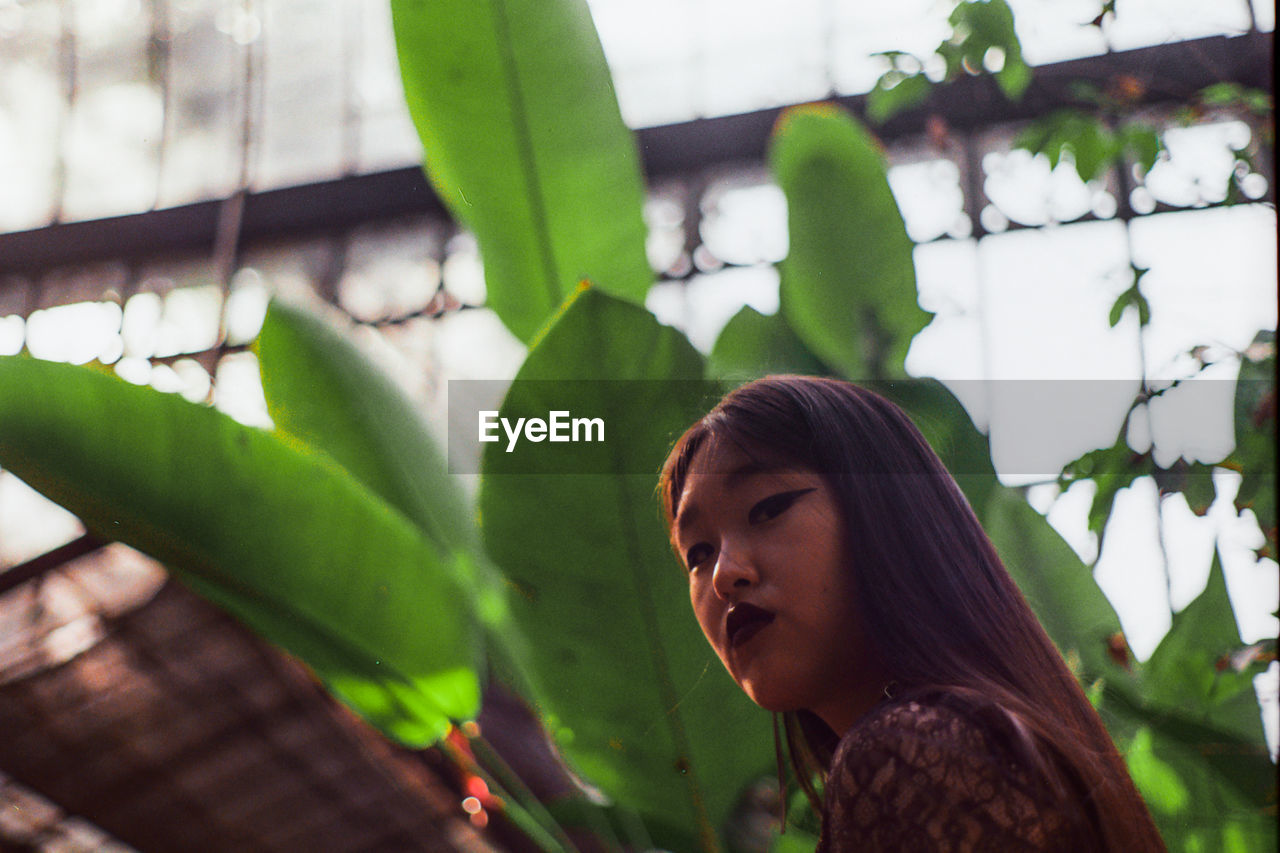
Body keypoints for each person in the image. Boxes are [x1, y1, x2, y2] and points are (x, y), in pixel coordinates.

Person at [658, 376, 1166, 852]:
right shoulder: (971, 740)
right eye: (697, 553)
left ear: (882, 511)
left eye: (767, 509)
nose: (723, 574)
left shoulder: (910, 754)